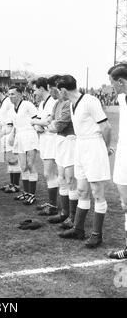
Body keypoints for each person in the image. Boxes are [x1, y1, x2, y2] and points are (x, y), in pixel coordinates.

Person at [57, 75, 113, 248]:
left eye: (60, 91)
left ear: (64, 90)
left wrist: (105, 147)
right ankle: (78, 229)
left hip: (94, 146)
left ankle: (97, 235)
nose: (60, 94)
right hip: (80, 146)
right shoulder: (72, 104)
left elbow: (106, 127)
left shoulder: (90, 101)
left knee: (97, 192)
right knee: (81, 189)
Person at [46, 75, 78, 229]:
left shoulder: (67, 104)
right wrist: (49, 124)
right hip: (60, 141)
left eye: (51, 88)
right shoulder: (56, 104)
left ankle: (72, 216)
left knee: (70, 178)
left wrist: (49, 125)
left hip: (69, 140)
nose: (51, 92)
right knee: (61, 178)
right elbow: (49, 121)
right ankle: (64, 212)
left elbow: (56, 126)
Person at [31, 77, 59, 215]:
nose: (34, 92)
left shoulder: (52, 102)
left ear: (41, 88)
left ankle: (54, 205)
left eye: (35, 89)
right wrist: (37, 124)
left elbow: (48, 122)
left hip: (52, 140)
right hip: (44, 140)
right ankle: (53, 203)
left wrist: (34, 122)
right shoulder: (42, 104)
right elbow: (40, 122)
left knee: (50, 173)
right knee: (50, 174)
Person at [107, 63, 127, 258]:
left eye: (113, 83)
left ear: (120, 82)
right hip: (123, 154)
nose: (112, 87)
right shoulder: (122, 97)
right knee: (125, 203)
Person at [7, 85, 39, 205]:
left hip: (30, 135)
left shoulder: (27, 105)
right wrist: (12, 135)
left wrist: (39, 129)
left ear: (20, 94)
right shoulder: (11, 110)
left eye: (13, 94)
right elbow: (15, 126)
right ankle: (26, 192)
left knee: (30, 164)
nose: (11, 96)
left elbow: (36, 119)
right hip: (19, 137)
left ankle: (32, 195)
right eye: (9, 94)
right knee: (23, 166)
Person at [0, 86, 21, 194]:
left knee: (13, 159)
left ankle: (16, 185)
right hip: (5, 132)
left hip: (11, 132)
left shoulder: (8, 102)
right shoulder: (0, 105)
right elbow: (4, 120)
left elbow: (14, 118)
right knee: (9, 159)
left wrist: (12, 133)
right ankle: (12, 183)